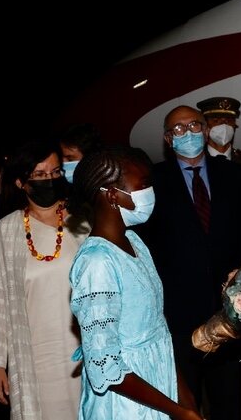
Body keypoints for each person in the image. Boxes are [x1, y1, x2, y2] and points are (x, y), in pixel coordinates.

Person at [138, 105, 241, 420]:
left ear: (205, 130)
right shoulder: (153, 180)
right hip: (177, 320)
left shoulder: (232, 175)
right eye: (178, 129)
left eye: (194, 126)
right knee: (185, 405)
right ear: (168, 139)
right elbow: (146, 248)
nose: (188, 133)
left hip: (228, 316)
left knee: (229, 404)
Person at [67, 145, 202, 420]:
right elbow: (105, 368)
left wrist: (184, 396)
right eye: (143, 185)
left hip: (158, 385)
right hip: (125, 404)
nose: (150, 192)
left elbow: (157, 329)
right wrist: (177, 411)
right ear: (113, 195)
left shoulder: (135, 242)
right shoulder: (97, 263)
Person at [0, 139, 88, 420]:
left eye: (55, 172)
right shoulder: (4, 233)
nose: (49, 179)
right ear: (20, 182)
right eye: (39, 175)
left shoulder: (85, 222)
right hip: (34, 355)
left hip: (88, 349)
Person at [197, 97, 241, 240]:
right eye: (216, 121)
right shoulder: (196, 163)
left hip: (240, 239)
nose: (224, 125)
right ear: (205, 127)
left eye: (229, 121)